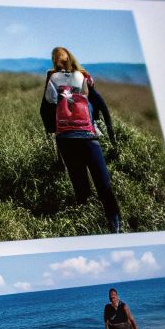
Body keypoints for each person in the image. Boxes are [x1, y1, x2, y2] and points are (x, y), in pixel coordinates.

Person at [40, 47, 122, 233]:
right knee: (103, 184)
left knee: (80, 185)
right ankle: (114, 223)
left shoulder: (53, 78)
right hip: (87, 134)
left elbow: (50, 100)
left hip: (66, 138)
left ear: (54, 61)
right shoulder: (82, 76)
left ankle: (85, 226)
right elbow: (89, 95)